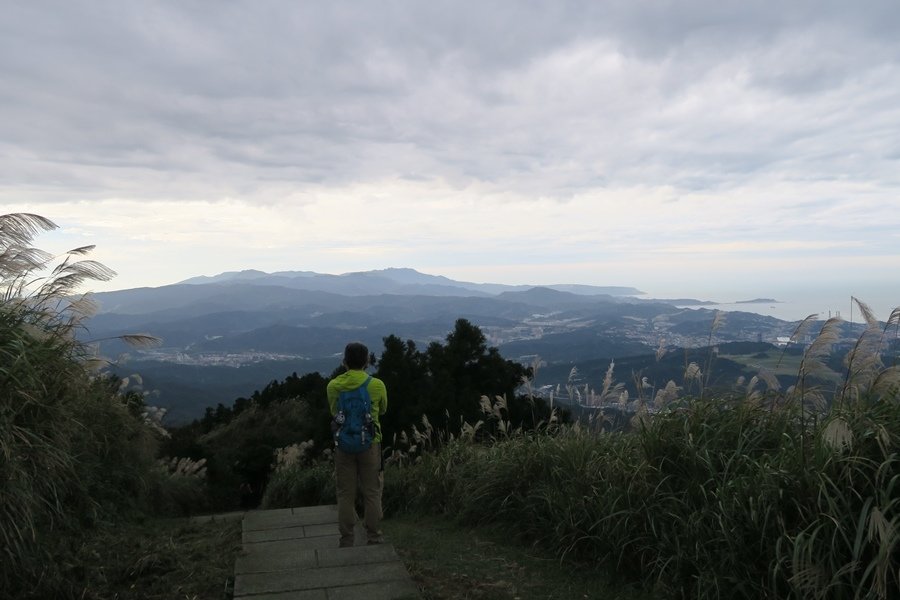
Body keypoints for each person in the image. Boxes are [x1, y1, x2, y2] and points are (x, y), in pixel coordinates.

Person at [326, 341, 388, 547]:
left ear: (344, 361)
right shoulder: (377, 385)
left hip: (343, 445)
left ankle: (347, 538)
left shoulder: (333, 386)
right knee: (371, 491)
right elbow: (384, 409)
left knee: (345, 493)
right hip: (371, 443)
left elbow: (335, 413)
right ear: (367, 362)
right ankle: (374, 536)